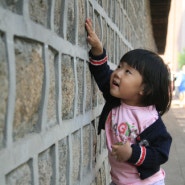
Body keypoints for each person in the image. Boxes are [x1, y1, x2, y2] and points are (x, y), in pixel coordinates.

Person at [85, 18, 172, 185]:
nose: (117, 73)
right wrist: (97, 50)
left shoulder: (149, 119)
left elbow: (161, 151)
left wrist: (133, 153)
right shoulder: (116, 100)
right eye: (119, 67)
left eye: (128, 72)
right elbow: (102, 73)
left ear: (144, 89)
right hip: (120, 180)